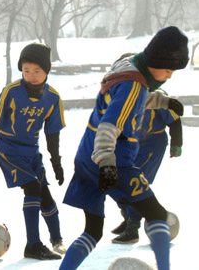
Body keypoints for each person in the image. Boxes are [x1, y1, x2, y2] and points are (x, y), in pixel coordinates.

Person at [59, 26, 189, 270]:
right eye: (169, 69)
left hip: (86, 157)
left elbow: (130, 100)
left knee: (93, 231)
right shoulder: (134, 85)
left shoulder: (126, 69)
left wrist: (163, 101)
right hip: (111, 158)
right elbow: (110, 125)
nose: (170, 76)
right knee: (157, 214)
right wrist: (108, 163)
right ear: (156, 61)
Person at [0, 43, 66, 260]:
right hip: (8, 148)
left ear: (46, 71)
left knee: (45, 195)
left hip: (31, 151)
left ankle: (57, 240)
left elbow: (52, 134)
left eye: (37, 71)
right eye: (26, 70)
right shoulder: (12, 91)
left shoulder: (53, 98)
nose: (31, 76)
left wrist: (56, 163)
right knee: (32, 188)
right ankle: (33, 245)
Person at [111, 89, 182, 244]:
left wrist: (177, 144)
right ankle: (127, 218)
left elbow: (175, 120)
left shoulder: (157, 95)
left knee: (137, 184)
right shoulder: (126, 92)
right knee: (118, 181)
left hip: (152, 144)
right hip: (130, 144)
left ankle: (133, 228)